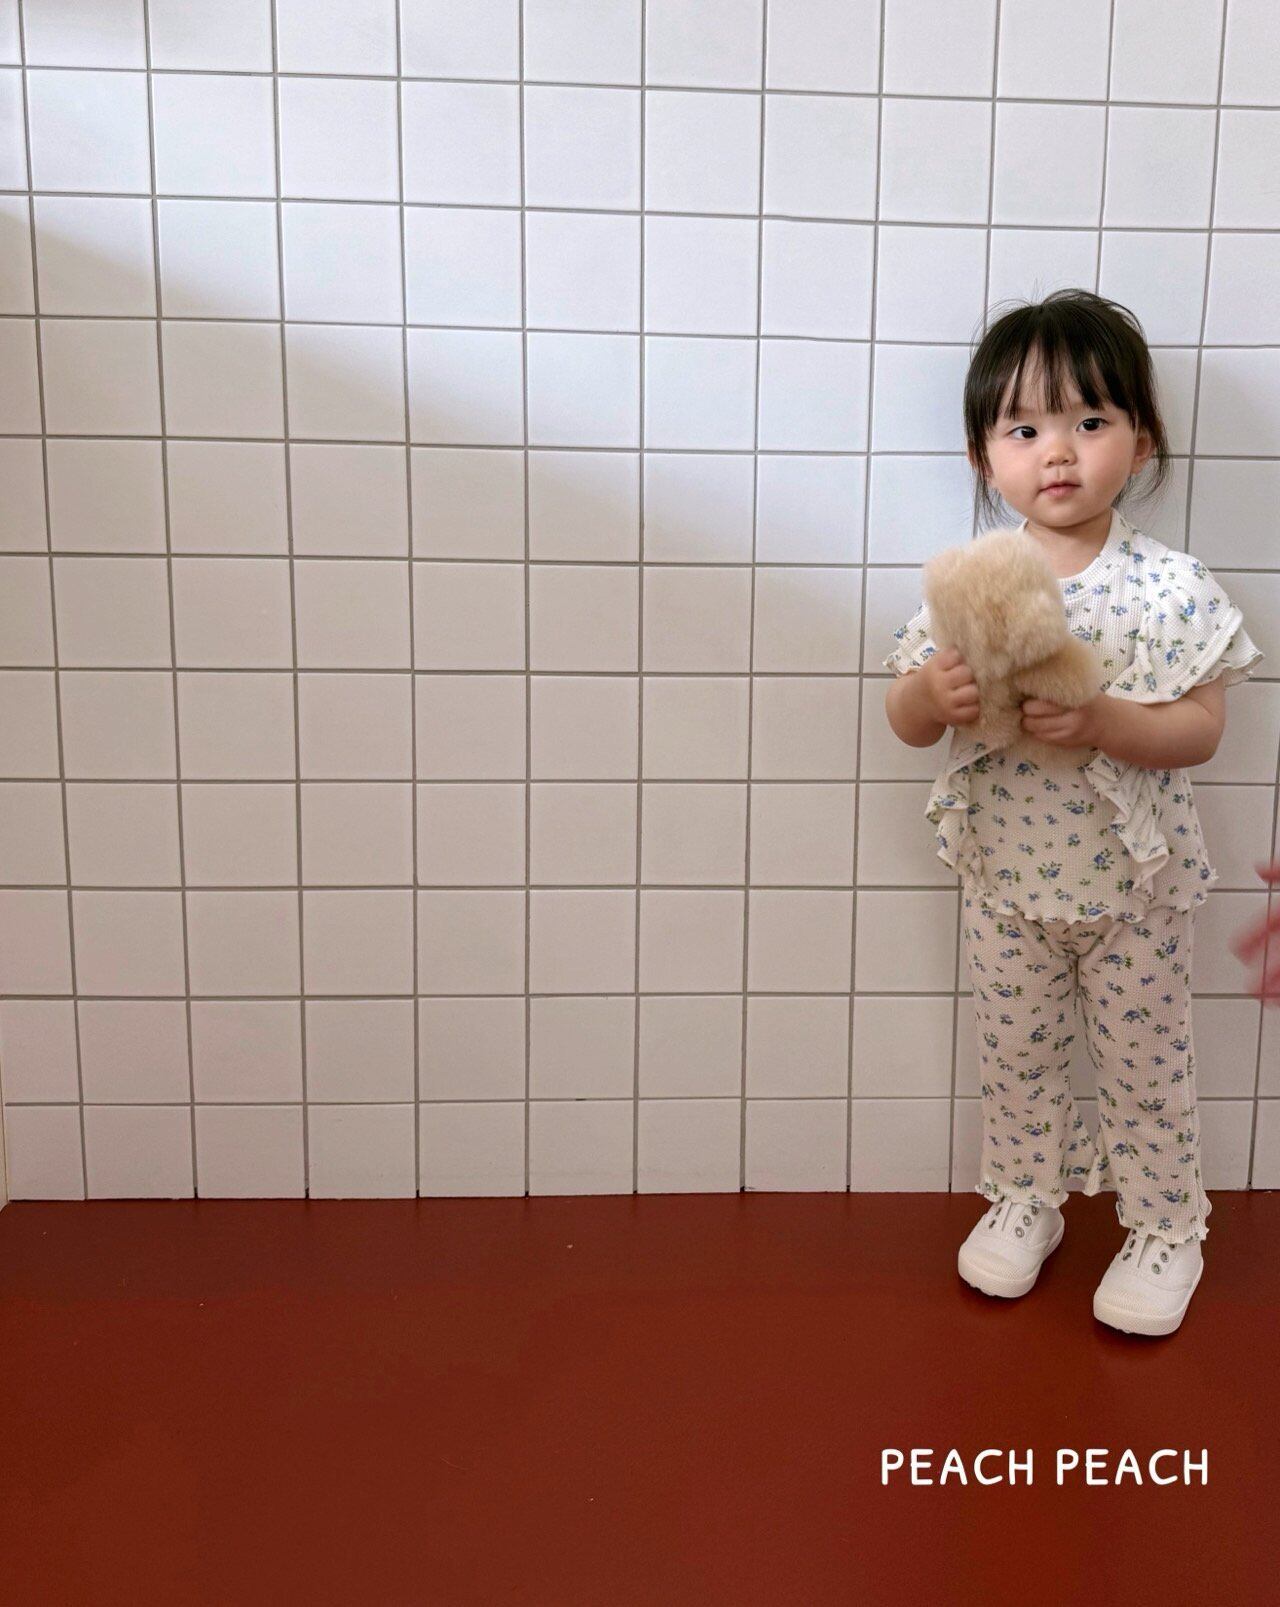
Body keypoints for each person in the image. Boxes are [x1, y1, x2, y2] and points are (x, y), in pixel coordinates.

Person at [883, 289, 1263, 1338]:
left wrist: (1102, 719)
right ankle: (1025, 1196)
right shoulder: (974, 583)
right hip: (1006, 884)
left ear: (1140, 441)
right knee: (1014, 1056)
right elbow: (904, 718)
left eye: (1089, 421)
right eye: (1024, 429)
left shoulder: (1169, 587)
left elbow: (1201, 729)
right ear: (982, 456)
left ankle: (1165, 1224)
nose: (1057, 451)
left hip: (1133, 890)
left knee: (1146, 1068)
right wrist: (932, 695)